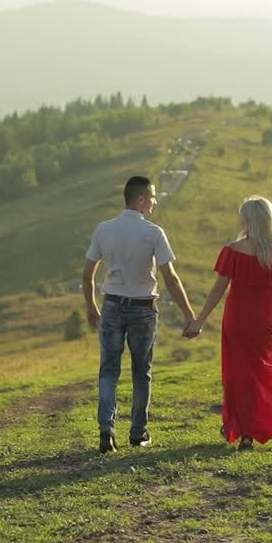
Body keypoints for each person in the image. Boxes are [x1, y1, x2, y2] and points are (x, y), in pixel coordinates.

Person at [82, 176, 197, 453]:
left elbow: (87, 275)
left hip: (111, 305)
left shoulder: (104, 229)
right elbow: (170, 278)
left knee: (108, 369)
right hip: (143, 308)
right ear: (142, 199)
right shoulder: (154, 233)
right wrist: (189, 315)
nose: (155, 201)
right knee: (141, 372)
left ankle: (106, 430)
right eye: (153, 196)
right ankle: (137, 433)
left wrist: (91, 306)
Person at [184, 195, 272, 449]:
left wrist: (199, 321)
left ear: (246, 220)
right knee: (263, 375)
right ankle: (256, 428)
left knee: (237, 376)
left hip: (238, 317)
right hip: (267, 320)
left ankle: (240, 428)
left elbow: (218, 290)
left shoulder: (232, 251)